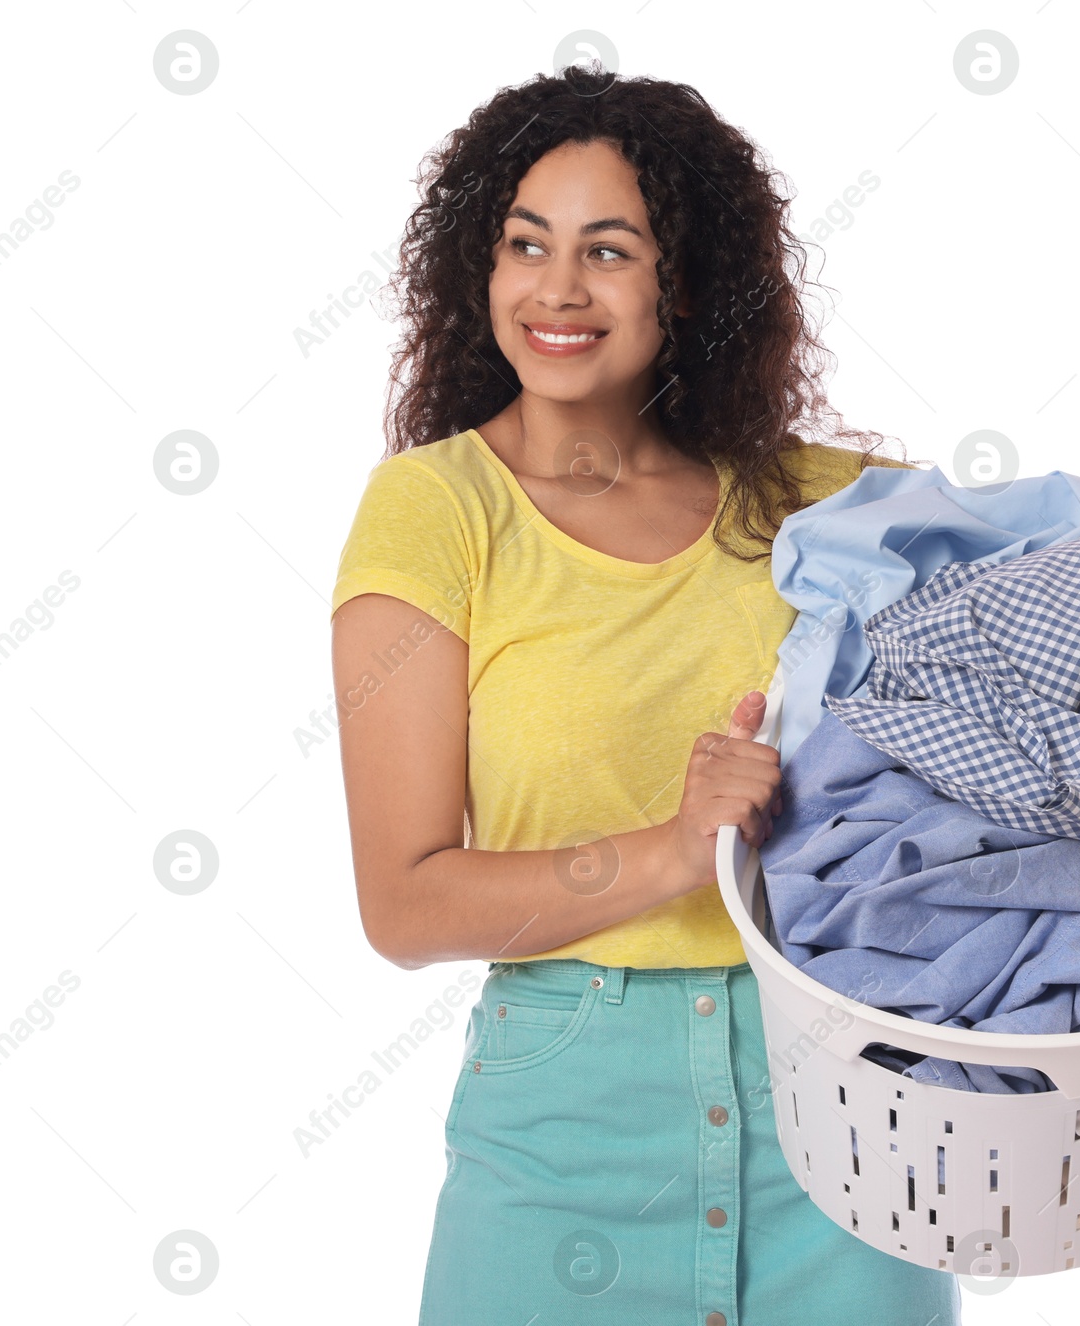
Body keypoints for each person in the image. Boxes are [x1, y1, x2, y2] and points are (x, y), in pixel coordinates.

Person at [329, 65, 965, 1324]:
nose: (557, 290)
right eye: (525, 245)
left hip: (845, 1103)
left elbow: (1024, 706)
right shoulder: (436, 511)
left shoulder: (838, 508)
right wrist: (674, 851)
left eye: (608, 251)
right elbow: (403, 902)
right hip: (565, 1122)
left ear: (686, 284)